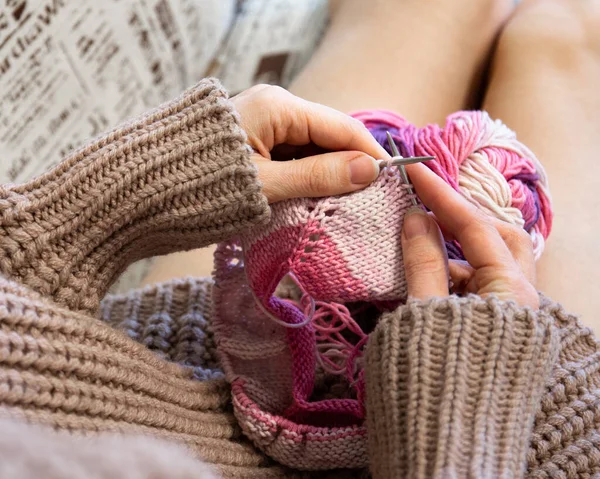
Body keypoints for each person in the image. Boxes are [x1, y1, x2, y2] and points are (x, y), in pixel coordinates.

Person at [0, 1, 598, 478]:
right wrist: (457, 413)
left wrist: (96, 208)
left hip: (190, 346)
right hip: (505, 426)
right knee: (573, 38)